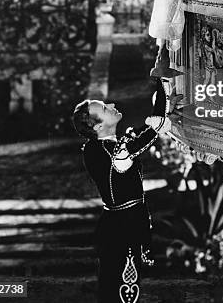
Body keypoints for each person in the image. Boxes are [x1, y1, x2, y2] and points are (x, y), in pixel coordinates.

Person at [72, 81, 169, 303]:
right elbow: (146, 136)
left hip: (121, 224)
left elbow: (140, 138)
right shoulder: (105, 151)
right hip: (122, 228)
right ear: (98, 127)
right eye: (105, 108)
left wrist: (163, 95)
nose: (112, 104)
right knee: (123, 288)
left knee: (116, 286)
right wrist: (163, 93)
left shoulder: (103, 147)